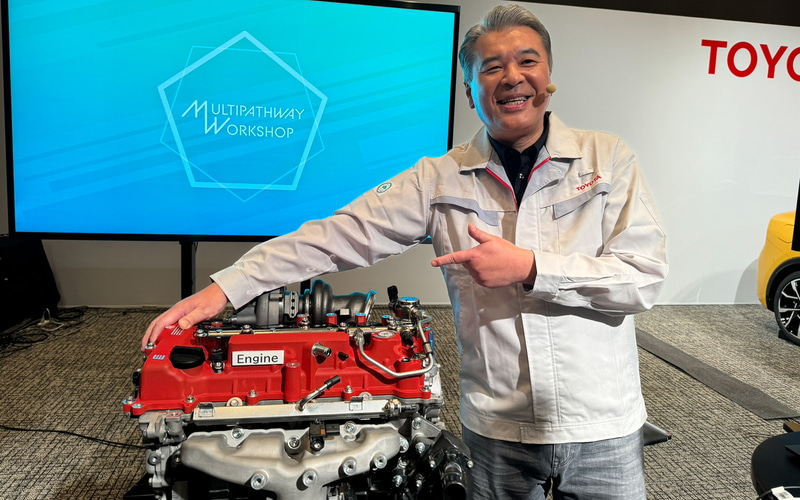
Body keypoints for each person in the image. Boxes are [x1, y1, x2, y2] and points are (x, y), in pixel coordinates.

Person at [143, 5, 668, 499]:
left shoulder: (608, 160)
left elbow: (643, 278)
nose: (512, 77)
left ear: (548, 75)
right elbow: (338, 234)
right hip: (499, 426)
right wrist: (228, 287)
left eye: (527, 61)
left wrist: (531, 268)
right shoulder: (439, 177)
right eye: (491, 67)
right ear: (471, 92)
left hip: (603, 423)